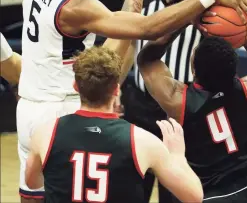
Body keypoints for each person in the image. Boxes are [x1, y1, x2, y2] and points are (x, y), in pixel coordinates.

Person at [0, 0, 247, 201]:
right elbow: (146, 27)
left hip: (28, 109)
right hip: (64, 114)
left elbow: (127, 28)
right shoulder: (76, 8)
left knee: (31, 195)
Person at [137, 14, 247, 202]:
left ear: (193, 69)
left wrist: (183, 20)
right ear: (234, 68)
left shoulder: (179, 101)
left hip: (212, 196)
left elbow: (147, 60)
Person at [25, 46, 204, 203]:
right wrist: (178, 156)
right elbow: (194, 196)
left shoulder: (45, 133)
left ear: (76, 86)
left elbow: (33, 183)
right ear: (116, 89)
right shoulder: (142, 141)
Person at [120, 0, 199, 202]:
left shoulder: (203, 5)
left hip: (181, 110)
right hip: (139, 107)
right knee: (134, 186)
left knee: (175, 189)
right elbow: (122, 40)